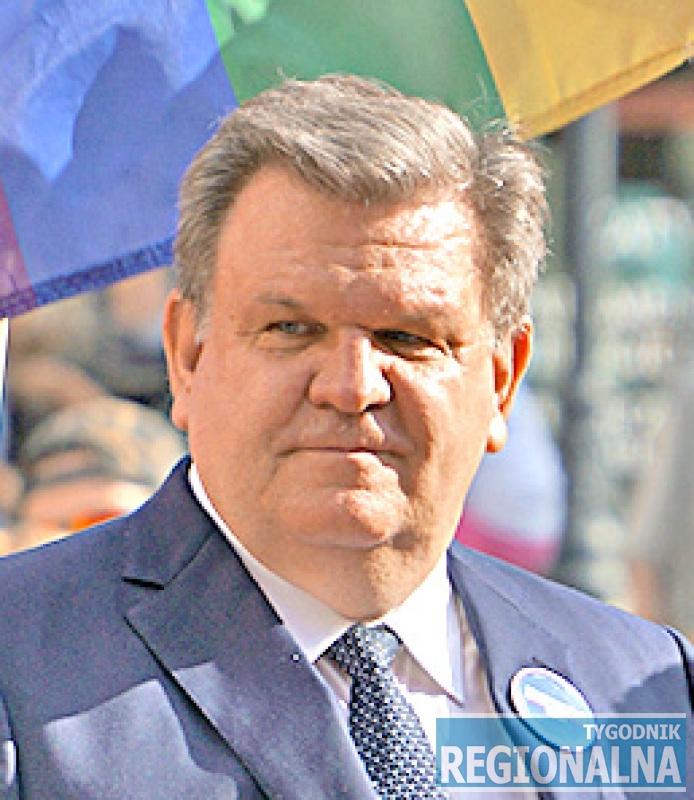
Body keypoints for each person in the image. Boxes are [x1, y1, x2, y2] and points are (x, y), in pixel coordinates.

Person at [0, 75, 690, 800]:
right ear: (188, 355)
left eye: (407, 337)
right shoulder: (21, 670)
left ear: (503, 378)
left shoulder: (636, 688)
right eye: (291, 329)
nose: (352, 386)